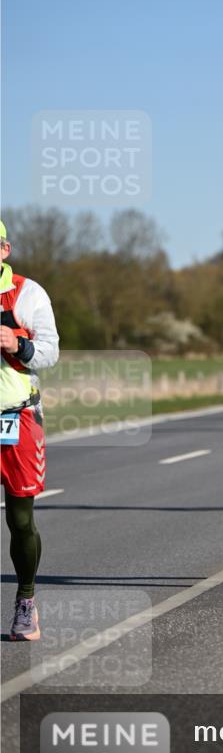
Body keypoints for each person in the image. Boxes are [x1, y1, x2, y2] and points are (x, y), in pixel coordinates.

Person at [1, 218, 59, 640]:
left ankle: (26, 600)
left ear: (4, 250)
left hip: (15, 416)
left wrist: (17, 344)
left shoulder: (27, 292)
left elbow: (50, 352)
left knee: (20, 521)